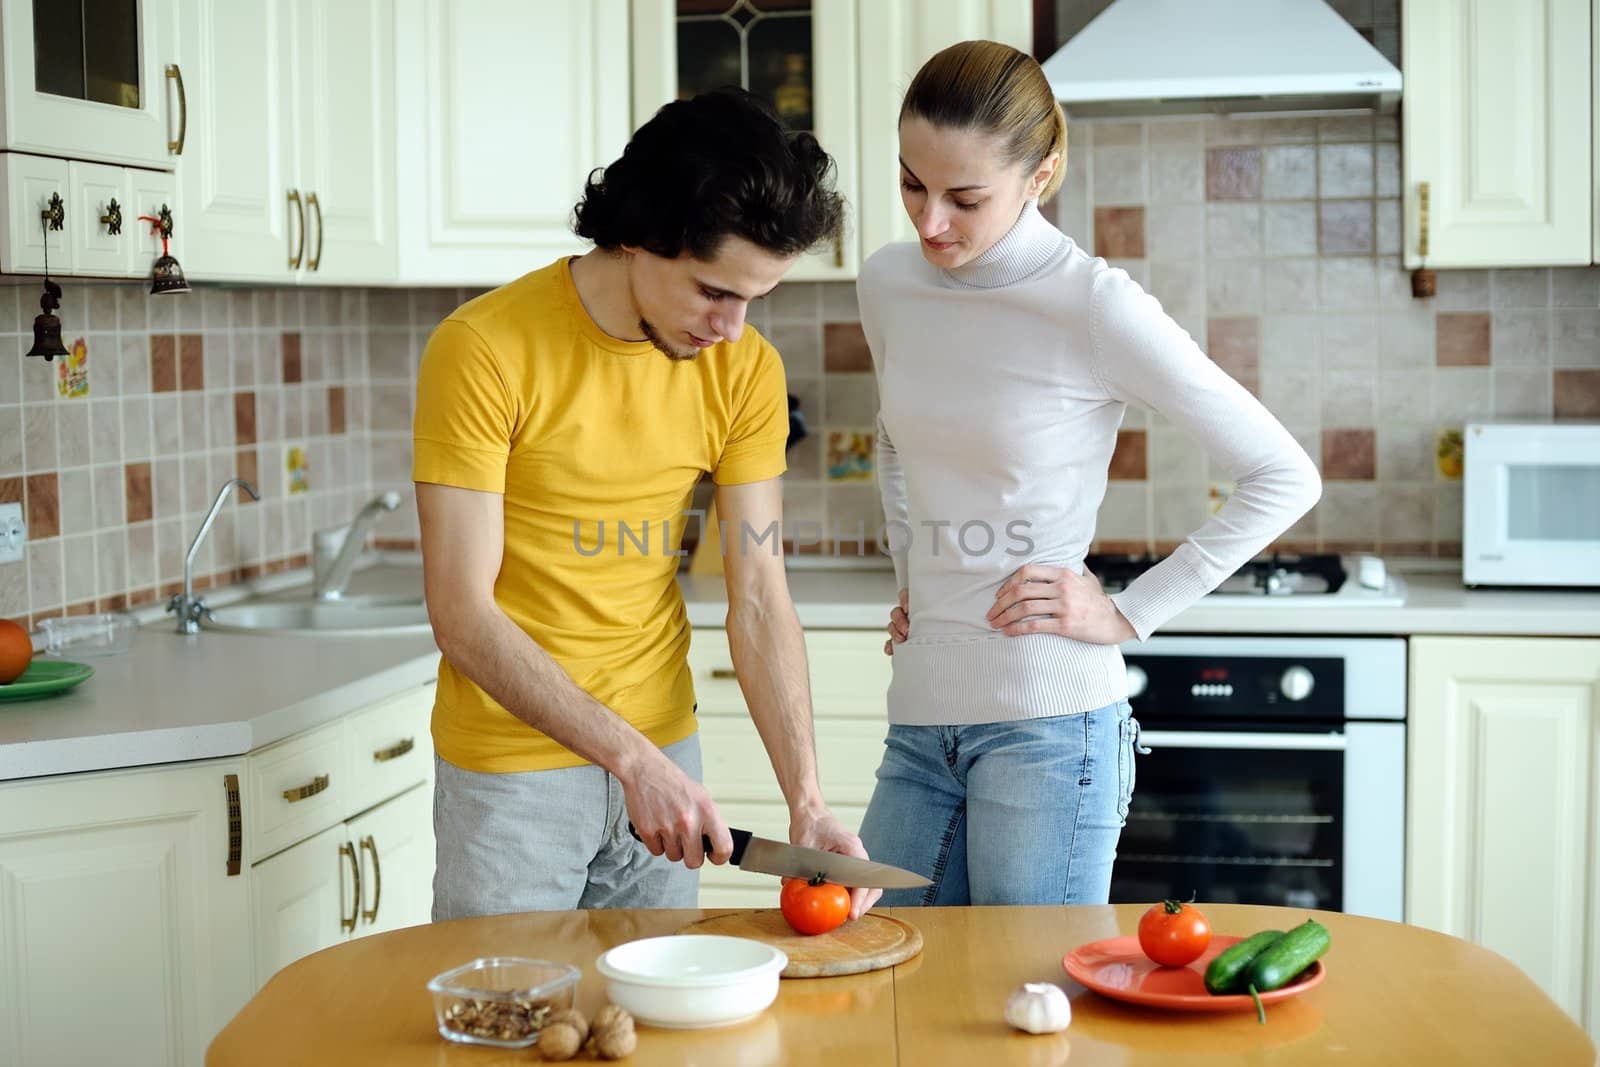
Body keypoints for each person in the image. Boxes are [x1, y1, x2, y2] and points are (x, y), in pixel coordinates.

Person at [858, 41, 1322, 907]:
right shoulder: (887, 282)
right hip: (919, 715)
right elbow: (893, 440)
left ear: (1041, 176)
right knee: (888, 984)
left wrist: (1126, 610)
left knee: (1029, 1003)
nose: (929, 223)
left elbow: (1284, 474)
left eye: (965, 197)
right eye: (911, 183)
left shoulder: (1093, 304)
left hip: (1052, 724)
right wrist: (912, 578)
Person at [413, 87, 877, 920]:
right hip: (513, 773)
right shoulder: (483, 349)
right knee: (509, 1031)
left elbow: (761, 595)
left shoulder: (745, 371)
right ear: (637, 235)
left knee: (659, 1031)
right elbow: (461, 613)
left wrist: (806, 798)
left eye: (751, 300)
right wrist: (630, 760)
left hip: (667, 761)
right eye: (712, 292)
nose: (731, 328)